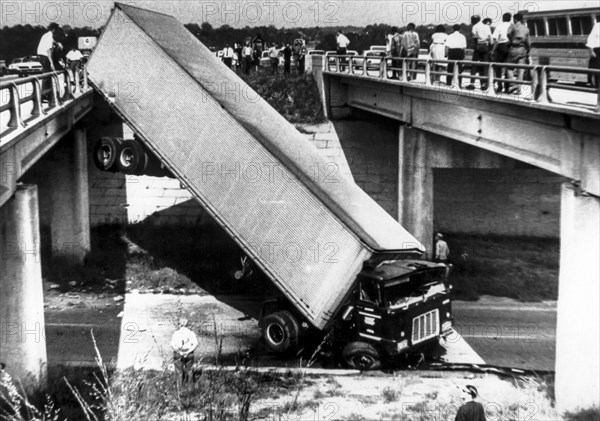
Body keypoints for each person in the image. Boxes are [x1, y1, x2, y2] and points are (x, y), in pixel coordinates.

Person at [506, 13, 530, 94]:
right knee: (521, 70)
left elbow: (508, 34)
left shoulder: (512, 26)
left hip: (514, 48)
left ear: (515, 19)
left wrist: (511, 39)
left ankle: (513, 84)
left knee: (509, 68)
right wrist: (528, 51)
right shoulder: (526, 29)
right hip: (523, 50)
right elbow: (528, 43)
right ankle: (519, 89)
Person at [467, 15, 492, 90]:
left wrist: (477, 44)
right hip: (486, 46)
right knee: (484, 65)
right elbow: (490, 38)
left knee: (474, 65)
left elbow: (475, 36)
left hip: (478, 45)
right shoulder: (486, 26)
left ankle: (472, 83)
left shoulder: (475, 26)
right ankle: (484, 84)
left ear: (474, 20)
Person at [170, 318, 198, 383]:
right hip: (189, 353)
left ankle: (179, 388)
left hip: (179, 353)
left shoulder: (176, 333)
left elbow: (172, 344)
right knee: (190, 370)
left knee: (179, 371)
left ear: (180, 324)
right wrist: (189, 351)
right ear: (187, 325)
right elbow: (195, 343)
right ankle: (190, 387)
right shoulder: (191, 333)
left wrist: (179, 352)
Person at [492, 13, 512, 93]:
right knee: (508, 68)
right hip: (510, 46)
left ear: (503, 18)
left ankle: (500, 85)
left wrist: (493, 50)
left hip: (501, 46)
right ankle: (507, 87)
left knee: (498, 67)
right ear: (510, 19)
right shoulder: (512, 26)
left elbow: (495, 39)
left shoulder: (499, 26)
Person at [586, 15, 600, 87]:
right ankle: (597, 86)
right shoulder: (597, 26)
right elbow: (590, 39)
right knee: (597, 70)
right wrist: (591, 51)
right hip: (597, 50)